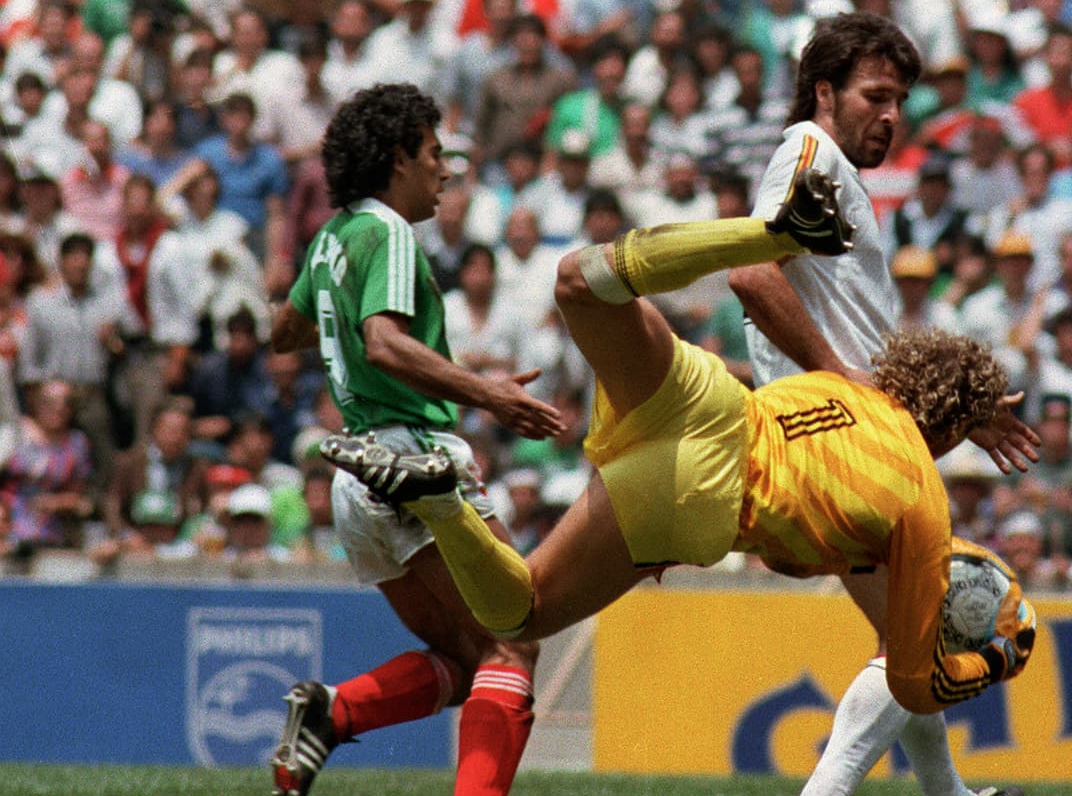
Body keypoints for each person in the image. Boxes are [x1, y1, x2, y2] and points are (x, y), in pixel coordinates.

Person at [320, 179, 1036, 730]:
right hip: (703, 491)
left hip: (713, 398)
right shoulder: (922, 504)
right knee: (517, 617)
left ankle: (772, 231)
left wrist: (961, 413)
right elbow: (912, 682)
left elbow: (899, 420)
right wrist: (989, 661)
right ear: (949, 434)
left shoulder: (851, 386)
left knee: (580, 280)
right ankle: (444, 503)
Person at [725, 12, 1036, 796]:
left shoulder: (838, 172)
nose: (891, 116)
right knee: (934, 633)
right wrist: (846, 386)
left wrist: (958, 411)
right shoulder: (809, 154)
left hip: (837, 435)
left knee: (912, 638)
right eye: (875, 96)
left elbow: (851, 332)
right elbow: (752, 277)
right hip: (831, 440)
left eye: (899, 100)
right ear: (824, 92)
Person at [268, 83, 565, 796]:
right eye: (435, 154)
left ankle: (335, 712)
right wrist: (488, 393)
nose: (446, 170)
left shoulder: (333, 239)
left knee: (465, 662)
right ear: (399, 159)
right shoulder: (391, 233)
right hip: (413, 463)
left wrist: (452, 369)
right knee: (513, 640)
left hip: (357, 476)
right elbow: (386, 343)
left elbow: (285, 333)